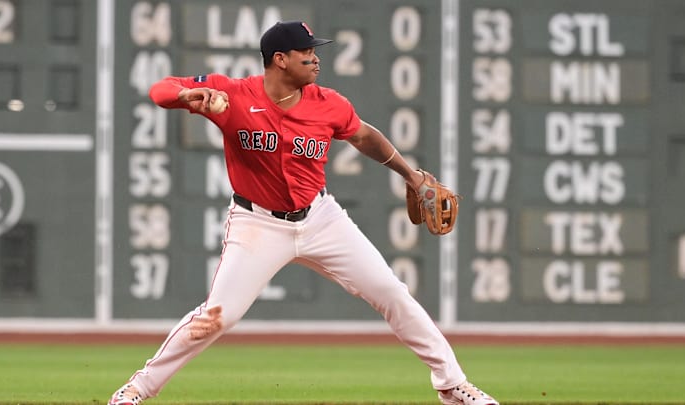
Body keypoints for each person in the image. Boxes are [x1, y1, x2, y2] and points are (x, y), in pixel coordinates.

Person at [107, 21, 499, 405]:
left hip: (320, 218)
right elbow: (161, 89)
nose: (315, 60)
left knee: (392, 293)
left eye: (315, 52)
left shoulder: (329, 103)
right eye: (306, 52)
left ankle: (453, 386)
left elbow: (364, 135)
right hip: (256, 223)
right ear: (280, 59)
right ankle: (135, 390)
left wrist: (411, 176)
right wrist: (185, 97)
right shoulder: (233, 94)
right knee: (217, 316)